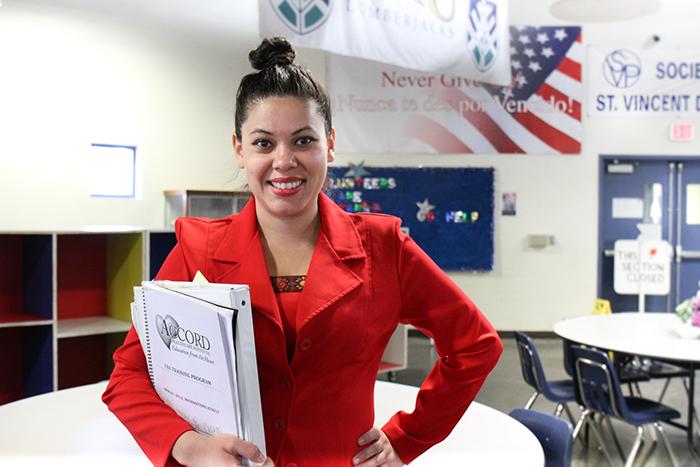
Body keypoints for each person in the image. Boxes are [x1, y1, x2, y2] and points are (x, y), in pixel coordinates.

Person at [103, 36, 503, 467]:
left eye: (303, 141)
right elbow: (128, 376)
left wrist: (407, 437)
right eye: (263, 143)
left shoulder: (384, 249)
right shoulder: (198, 252)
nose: (284, 160)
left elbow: (475, 346)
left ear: (329, 144)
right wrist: (187, 444)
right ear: (239, 149)